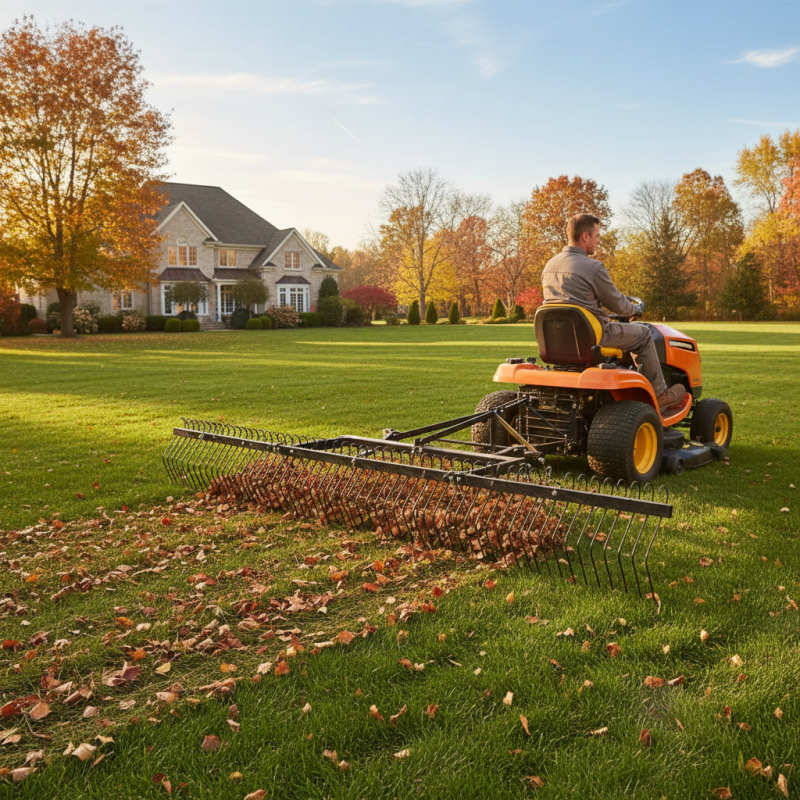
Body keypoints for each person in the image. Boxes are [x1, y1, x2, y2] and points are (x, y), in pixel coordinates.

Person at [541, 213, 686, 412]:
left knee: (625, 334)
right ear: (585, 236)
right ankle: (660, 394)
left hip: (558, 341)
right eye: (597, 236)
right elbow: (618, 304)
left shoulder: (550, 266)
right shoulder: (593, 267)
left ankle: (629, 387)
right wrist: (635, 309)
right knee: (643, 334)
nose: (598, 241)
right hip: (596, 337)